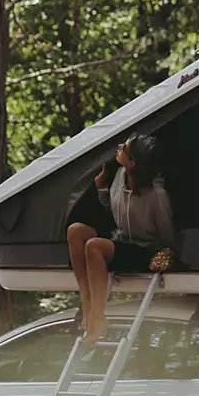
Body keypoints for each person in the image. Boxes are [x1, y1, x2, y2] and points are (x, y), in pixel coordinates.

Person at [66, 134, 175, 338]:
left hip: (144, 250)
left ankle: (98, 318)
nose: (118, 148)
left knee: (94, 246)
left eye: (123, 149)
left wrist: (168, 257)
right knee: (75, 231)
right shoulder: (119, 176)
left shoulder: (157, 196)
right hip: (121, 240)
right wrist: (100, 189)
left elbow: (167, 233)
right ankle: (86, 301)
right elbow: (113, 208)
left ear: (132, 162)